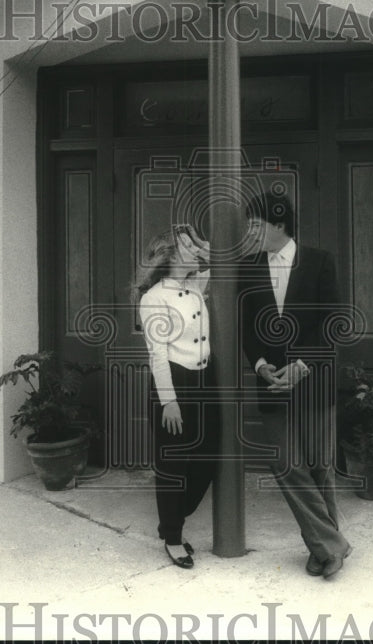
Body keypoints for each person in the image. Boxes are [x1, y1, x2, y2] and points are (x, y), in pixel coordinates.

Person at [238, 191, 352, 578]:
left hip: (315, 380)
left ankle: (323, 548)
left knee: (320, 466)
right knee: (286, 464)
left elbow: (334, 323)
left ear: (279, 225)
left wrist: (302, 365)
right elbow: (246, 329)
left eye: (256, 225)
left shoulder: (320, 262)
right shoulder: (248, 267)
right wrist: (262, 365)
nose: (250, 232)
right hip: (271, 385)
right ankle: (332, 544)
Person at [134, 224, 216, 569]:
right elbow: (157, 354)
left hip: (205, 379)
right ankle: (172, 536)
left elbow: (216, 263)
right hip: (175, 382)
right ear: (170, 255)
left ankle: (172, 515)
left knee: (210, 455)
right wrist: (169, 401)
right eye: (186, 245)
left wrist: (203, 247)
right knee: (173, 466)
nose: (193, 250)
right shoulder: (153, 298)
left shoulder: (193, 284)